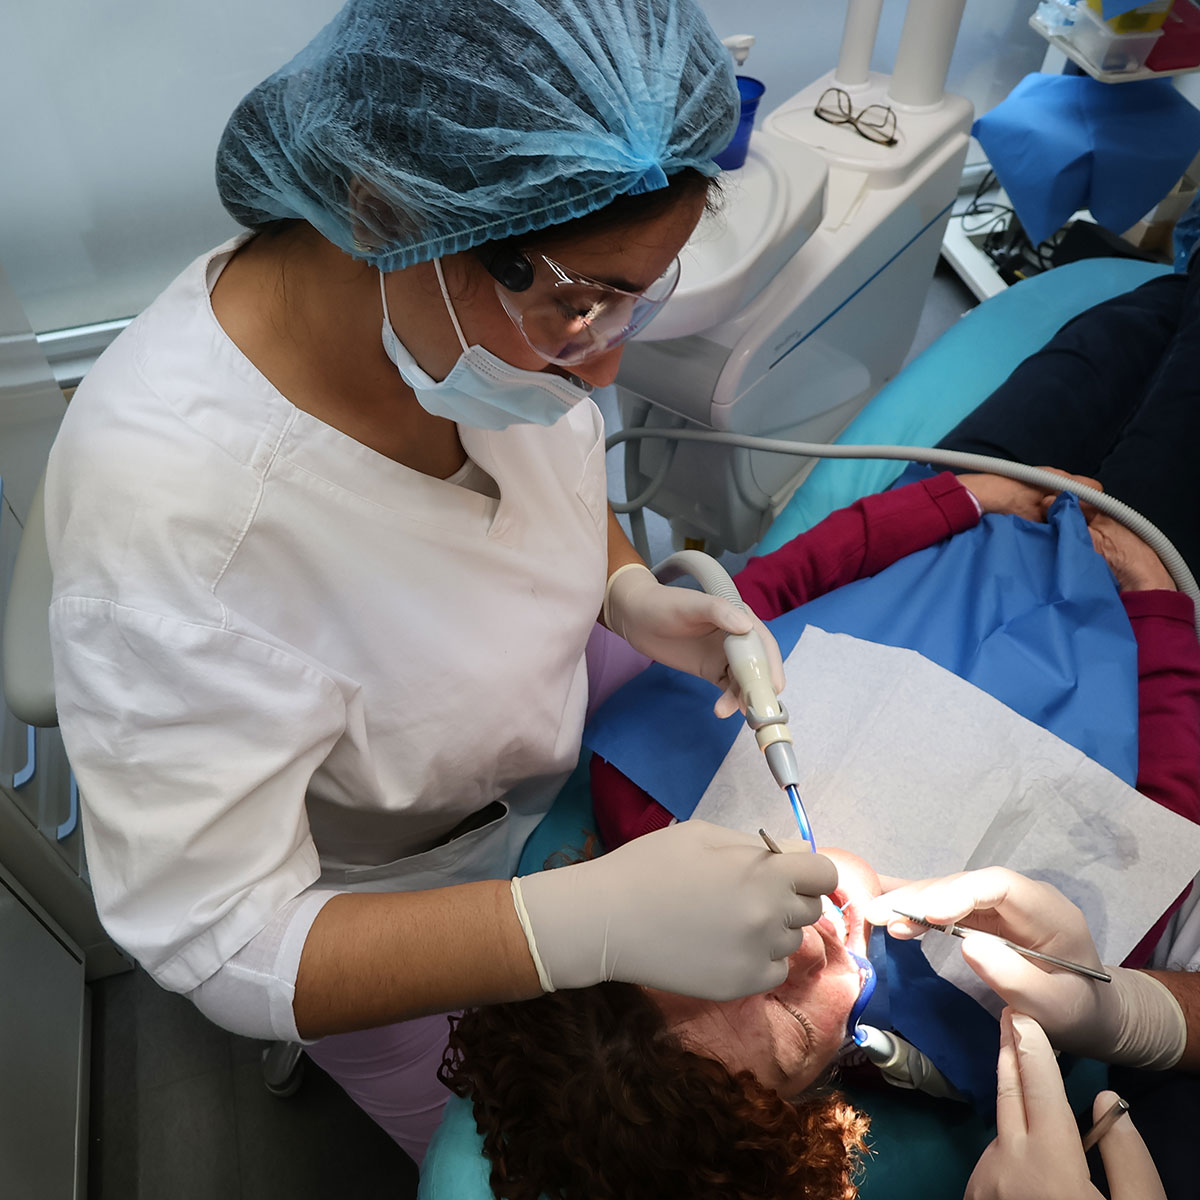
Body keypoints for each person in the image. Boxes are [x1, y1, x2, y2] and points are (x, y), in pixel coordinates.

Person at [41, 0, 843, 1163]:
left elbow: (544, 483)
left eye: (636, 295)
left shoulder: (478, 334)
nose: (609, 357)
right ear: (384, 213)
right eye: (581, 302)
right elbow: (221, 940)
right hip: (387, 896)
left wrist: (621, 587)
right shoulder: (182, 541)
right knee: (542, 1152)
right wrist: (572, 925)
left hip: (530, 714)